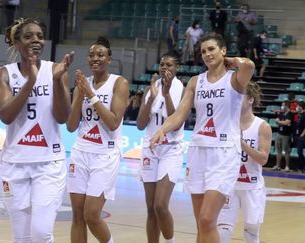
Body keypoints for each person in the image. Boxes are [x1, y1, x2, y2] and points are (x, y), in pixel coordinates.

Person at [151, 33, 255, 243]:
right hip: (199, 151)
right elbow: (180, 114)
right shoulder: (195, 81)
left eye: (212, 49)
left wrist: (231, 61)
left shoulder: (234, 78)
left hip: (224, 152)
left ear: (223, 51)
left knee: (208, 219)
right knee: (201, 223)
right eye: (204, 51)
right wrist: (163, 128)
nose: (207, 54)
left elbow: (249, 65)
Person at [0, 18, 74, 242]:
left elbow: (62, 118)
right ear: (17, 43)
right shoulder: (5, 73)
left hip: (48, 163)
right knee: (21, 236)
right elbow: (6, 115)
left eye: (40, 36)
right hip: (14, 163)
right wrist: (30, 81)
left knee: (41, 232)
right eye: (29, 36)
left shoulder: (55, 70)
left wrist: (58, 81)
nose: (36, 40)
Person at [67, 36, 129, 243]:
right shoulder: (82, 85)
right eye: (92, 55)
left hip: (105, 155)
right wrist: (80, 94)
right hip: (81, 151)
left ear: (109, 59)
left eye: (101, 55)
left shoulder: (119, 83)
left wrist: (91, 95)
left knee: (91, 215)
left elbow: (113, 122)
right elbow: (71, 125)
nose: (96, 58)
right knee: (77, 215)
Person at [136, 50, 184, 243]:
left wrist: (166, 95)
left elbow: (177, 124)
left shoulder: (181, 88)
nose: (165, 68)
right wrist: (151, 97)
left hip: (171, 148)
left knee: (160, 206)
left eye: (169, 65)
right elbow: (140, 124)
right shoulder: (152, 87)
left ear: (177, 68)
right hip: (150, 148)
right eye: (162, 65)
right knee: (150, 208)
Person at [217, 81, 272, 243]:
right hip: (230, 186)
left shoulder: (262, 126)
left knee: (251, 231)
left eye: (240, 96)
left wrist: (242, 144)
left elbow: (263, 159)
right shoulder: (226, 123)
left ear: (250, 100)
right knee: (223, 230)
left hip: (252, 186)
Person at [272, 101, 293, 172]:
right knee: (278, 150)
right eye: (282, 105)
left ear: (287, 106)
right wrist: (282, 122)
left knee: (286, 151)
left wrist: (281, 122)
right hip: (279, 134)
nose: (282, 106)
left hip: (286, 135)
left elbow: (287, 122)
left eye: (283, 105)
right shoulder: (281, 113)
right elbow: (277, 120)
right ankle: (278, 165)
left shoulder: (290, 114)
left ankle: (287, 166)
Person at [296, 102, 305, 173]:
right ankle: (301, 167)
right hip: (299, 136)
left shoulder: (304, 115)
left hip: (302, 137)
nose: (297, 107)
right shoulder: (300, 115)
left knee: (300, 152)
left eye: (298, 106)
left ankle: (301, 167)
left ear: (301, 107)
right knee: (299, 152)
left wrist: (302, 135)